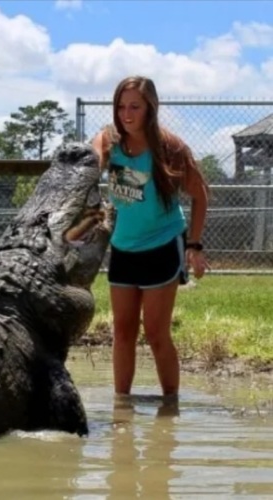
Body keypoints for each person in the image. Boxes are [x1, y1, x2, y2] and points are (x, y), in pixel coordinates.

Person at [91, 75, 210, 400]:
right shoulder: (108, 141)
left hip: (162, 245)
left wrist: (194, 246)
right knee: (123, 331)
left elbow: (201, 195)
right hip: (124, 248)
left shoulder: (170, 148)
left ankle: (170, 408)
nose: (126, 114)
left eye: (135, 107)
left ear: (150, 109)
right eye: (121, 106)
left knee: (157, 334)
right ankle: (122, 408)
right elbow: (89, 166)